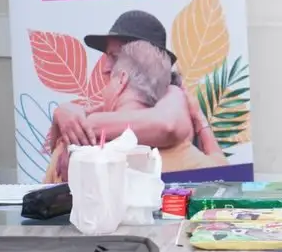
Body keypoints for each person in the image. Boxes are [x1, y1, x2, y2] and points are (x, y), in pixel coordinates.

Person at [45, 39, 227, 182]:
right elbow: (225, 176)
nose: (105, 69)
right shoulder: (187, 156)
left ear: (121, 80)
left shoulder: (71, 150)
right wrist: (199, 118)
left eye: (114, 58)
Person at [45, 10, 222, 157]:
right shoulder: (111, 107)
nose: (105, 68)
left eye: (115, 57)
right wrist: (64, 112)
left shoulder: (173, 94)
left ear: (145, 62)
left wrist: (83, 127)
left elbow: (166, 124)